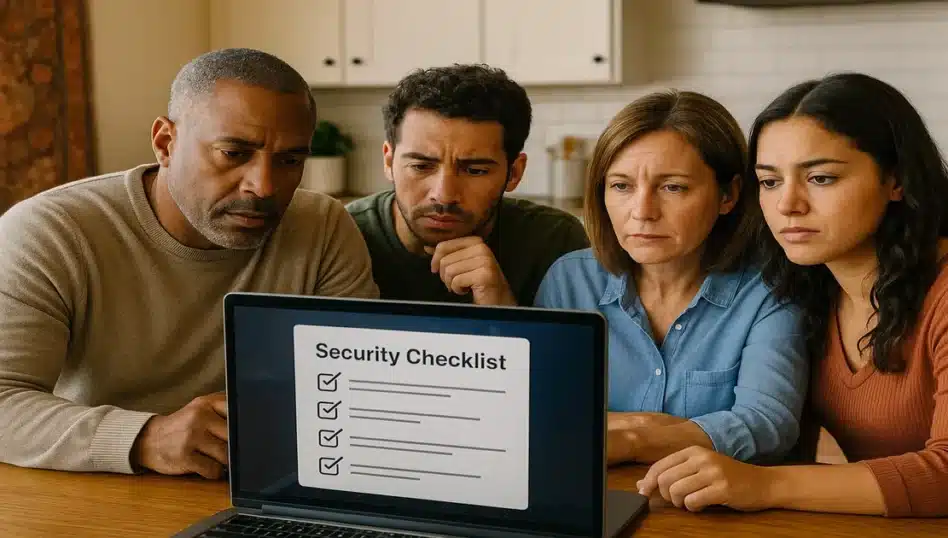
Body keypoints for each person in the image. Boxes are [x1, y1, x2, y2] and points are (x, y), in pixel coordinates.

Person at [637, 72, 948, 518]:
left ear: (896, 179)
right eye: (769, 181)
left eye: (820, 178)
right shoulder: (805, 288)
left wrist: (764, 484)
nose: (788, 205)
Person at [0, 48, 378, 478]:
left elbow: (359, 385)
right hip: (99, 487)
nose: (264, 185)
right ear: (165, 142)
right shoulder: (51, 230)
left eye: (290, 160)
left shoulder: (323, 225)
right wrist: (145, 437)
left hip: (263, 489)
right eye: (234, 153)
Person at [534, 90, 808, 467]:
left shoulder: (770, 287)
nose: (642, 211)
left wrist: (632, 439)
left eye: (672, 187)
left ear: (728, 195)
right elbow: (545, 410)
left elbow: (766, 424)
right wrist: (658, 427)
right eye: (622, 186)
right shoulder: (570, 279)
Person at [346, 64, 589, 306]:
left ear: (514, 173)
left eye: (475, 171)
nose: (443, 196)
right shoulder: (343, 234)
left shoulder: (555, 241)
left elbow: (576, 346)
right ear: (389, 161)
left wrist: (500, 305)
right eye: (421, 167)